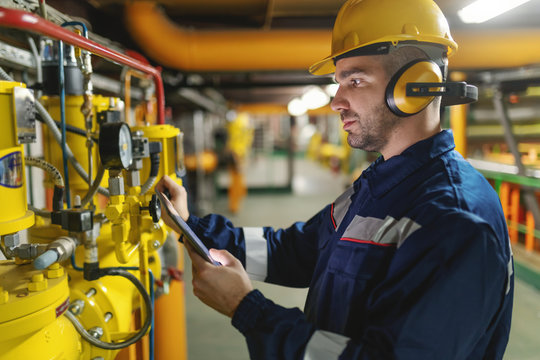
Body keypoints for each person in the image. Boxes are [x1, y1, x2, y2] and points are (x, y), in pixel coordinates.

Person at [156, 0, 514, 358]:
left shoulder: (454, 222)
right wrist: (191, 225)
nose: (336, 101)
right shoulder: (379, 183)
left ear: (414, 86)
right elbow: (300, 250)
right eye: (338, 82)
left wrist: (247, 309)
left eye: (355, 80)